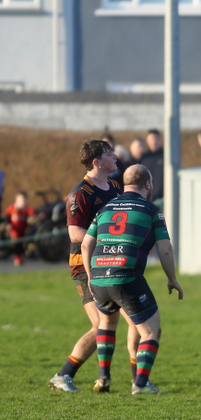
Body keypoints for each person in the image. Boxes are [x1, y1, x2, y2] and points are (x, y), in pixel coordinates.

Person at [80, 164, 183, 394]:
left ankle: (104, 378)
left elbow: (86, 244)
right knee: (151, 331)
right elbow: (165, 249)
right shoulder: (151, 210)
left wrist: (90, 275)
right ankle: (141, 384)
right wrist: (172, 279)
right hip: (126, 276)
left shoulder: (105, 208)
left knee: (107, 324)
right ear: (148, 185)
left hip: (98, 276)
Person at [49, 139, 140, 393]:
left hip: (110, 263)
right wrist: (107, 235)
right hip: (84, 266)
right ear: (97, 162)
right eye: (110, 154)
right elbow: (75, 234)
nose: (116, 156)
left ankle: (135, 381)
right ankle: (64, 375)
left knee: (134, 320)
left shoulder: (113, 186)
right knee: (102, 324)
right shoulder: (80, 193)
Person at [4, 191, 35, 266]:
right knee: (17, 241)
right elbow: (7, 216)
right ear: (16, 200)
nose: (22, 202)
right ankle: (17, 258)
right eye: (20, 200)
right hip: (15, 229)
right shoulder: (13, 208)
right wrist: (8, 224)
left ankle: (21, 256)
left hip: (24, 229)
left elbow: (33, 213)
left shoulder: (26, 209)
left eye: (24, 200)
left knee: (22, 243)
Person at [139, 130, 164, 207]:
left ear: (160, 139)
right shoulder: (144, 157)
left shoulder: (166, 156)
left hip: (162, 200)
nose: (154, 141)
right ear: (148, 141)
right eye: (151, 139)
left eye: (156, 138)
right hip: (146, 200)